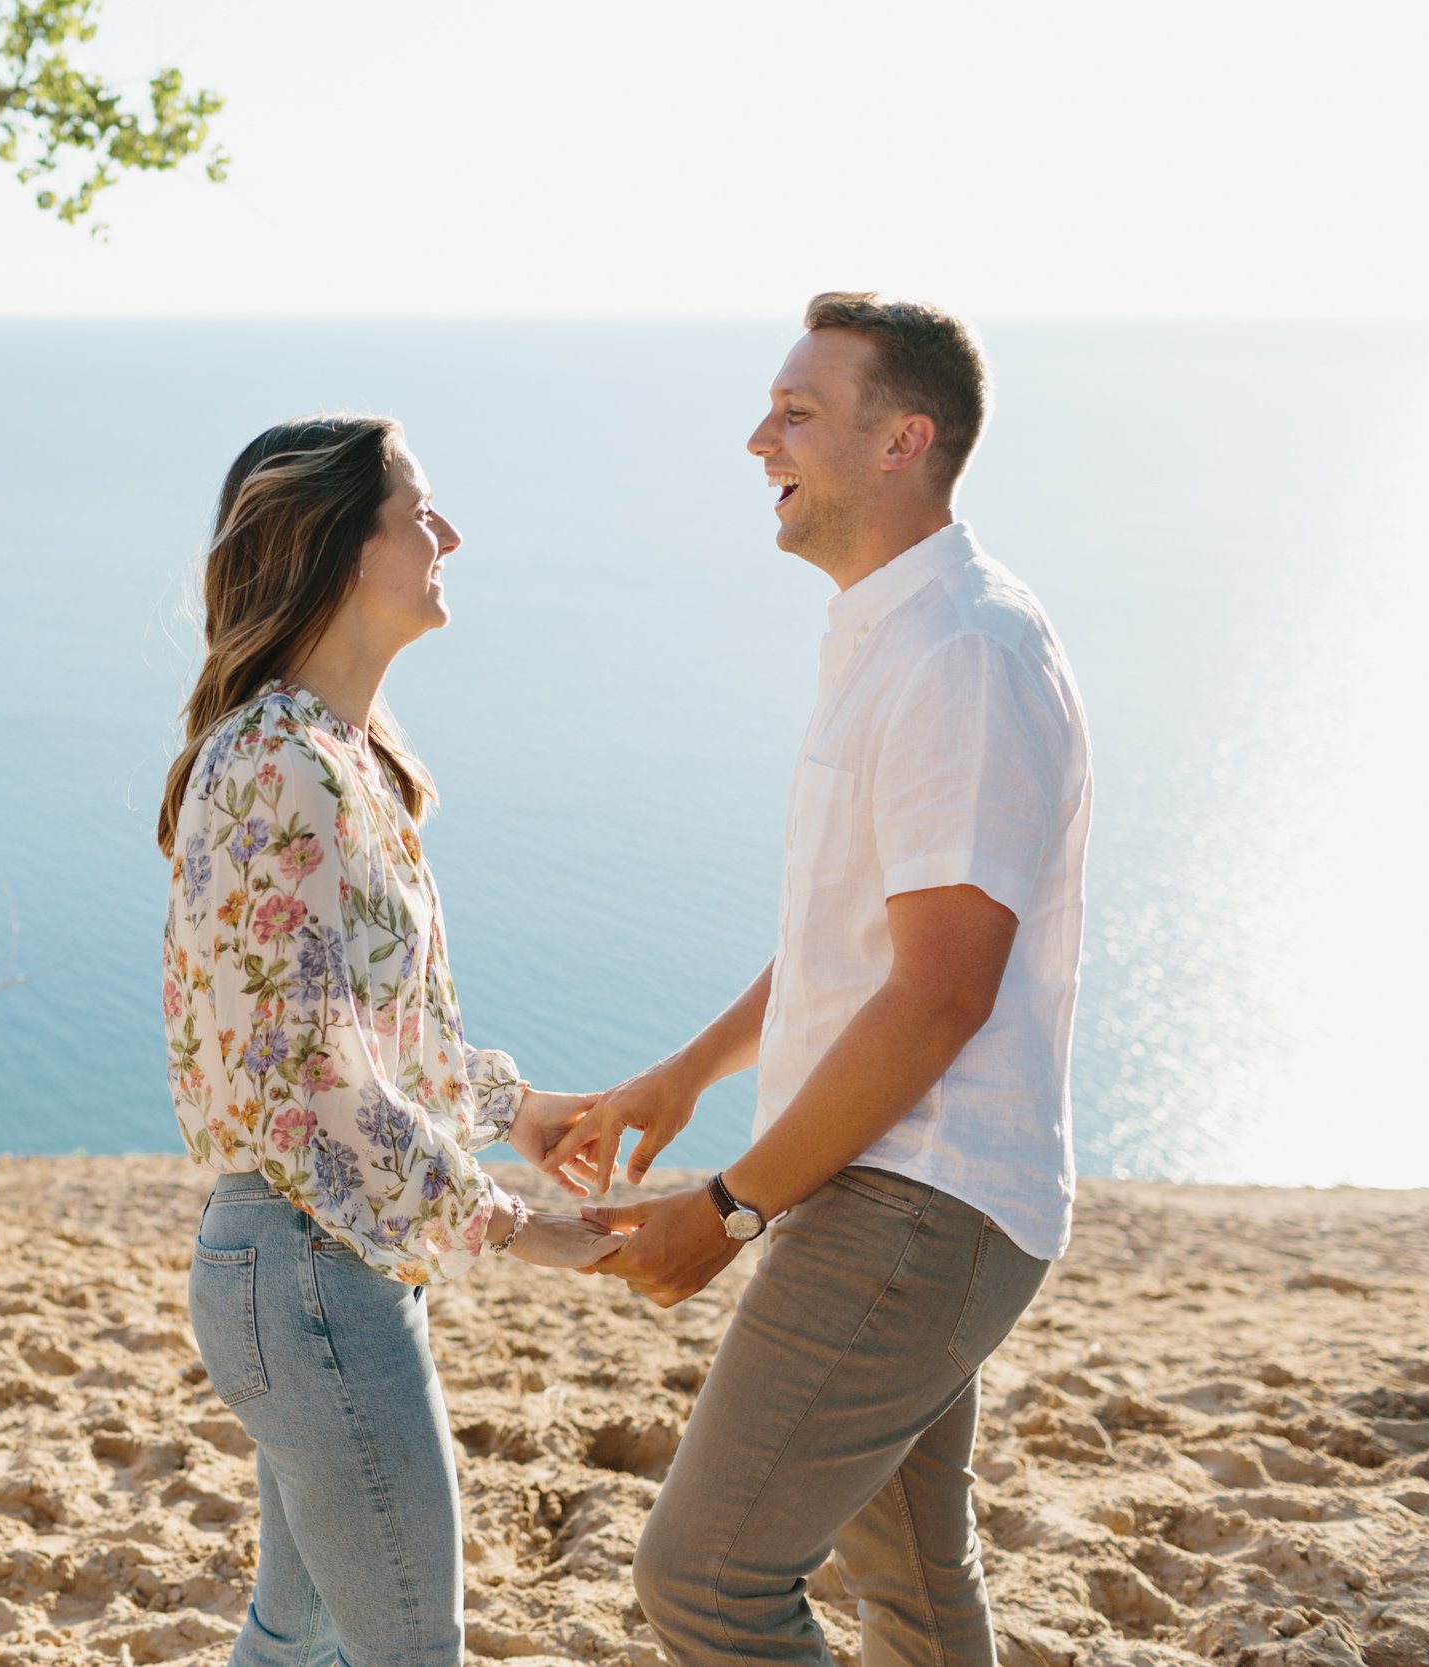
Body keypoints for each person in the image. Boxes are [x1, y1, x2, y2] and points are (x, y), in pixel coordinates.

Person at [560, 294, 1093, 1666]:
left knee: (707, 1577)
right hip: (892, 1184)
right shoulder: (895, 631)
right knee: (915, 1580)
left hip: (915, 1198)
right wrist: (685, 1074)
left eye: (797, 411)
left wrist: (731, 1206)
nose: (758, 439)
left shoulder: (962, 651)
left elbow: (940, 992)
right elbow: (855, 934)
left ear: (903, 439)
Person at [158, 415, 615, 1667]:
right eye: (418, 511)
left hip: (322, 1256)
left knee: (297, 1632)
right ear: (338, 549)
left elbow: (366, 1028)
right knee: (408, 1650)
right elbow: (313, 1081)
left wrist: (516, 1109)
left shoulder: (342, 754)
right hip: (309, 1266)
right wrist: (517, 1229)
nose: (448, 534)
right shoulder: (282, 764)